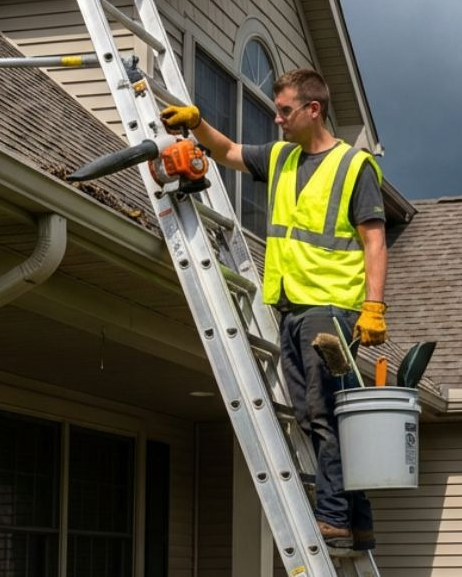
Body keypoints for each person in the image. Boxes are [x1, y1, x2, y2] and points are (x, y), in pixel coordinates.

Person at [160, 67, 388, 551]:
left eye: (284, 111)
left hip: (330, 308)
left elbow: (374, 240)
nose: (277, 119)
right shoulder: (281, 158)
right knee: (318, 415)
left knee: (323, 412)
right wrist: (198, 122)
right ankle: (359, 520)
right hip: (290, 307)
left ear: (313, 109)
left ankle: (334, 519)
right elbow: (226, 153)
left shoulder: (354, 166)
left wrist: (373, 307)